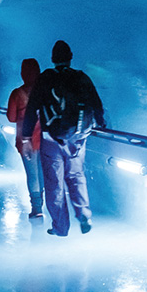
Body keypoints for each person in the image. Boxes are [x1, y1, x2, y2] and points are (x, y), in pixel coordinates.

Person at [22, 40, 105, 237]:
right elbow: (96, 102)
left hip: (51, 139)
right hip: (77, 138)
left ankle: (60, 227)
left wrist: (26, 136)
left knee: (54, 183)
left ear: (53, 59)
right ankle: (84, 214)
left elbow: (33, 107)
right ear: (70, 57)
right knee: (76, 176)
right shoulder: (81, 77)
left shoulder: (46, 78)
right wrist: (100, 122)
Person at [7, 58, 44, 218]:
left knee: (32, 175)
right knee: (43, 173)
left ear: (23, 73)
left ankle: (37, 208)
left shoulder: (17, 94)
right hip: (44, 140)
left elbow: (11, 117)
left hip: (25, 141)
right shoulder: (45, 92)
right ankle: (45, 204)